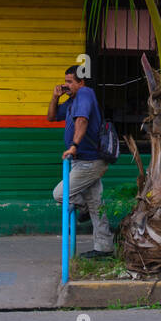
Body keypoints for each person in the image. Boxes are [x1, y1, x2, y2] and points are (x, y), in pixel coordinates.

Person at [47, 65, 111, 258]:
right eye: (65, 81)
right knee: (97, 204)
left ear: (81, 82)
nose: (66, 85)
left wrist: (74, 145)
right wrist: (56, 97)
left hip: (89, 161)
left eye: (70, 82)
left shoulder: (84, 93)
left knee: (60, 193)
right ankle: (105, 248)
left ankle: (83, 208)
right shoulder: (72, 100)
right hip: (84, 162)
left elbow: (82, 120)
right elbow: (51, 117)